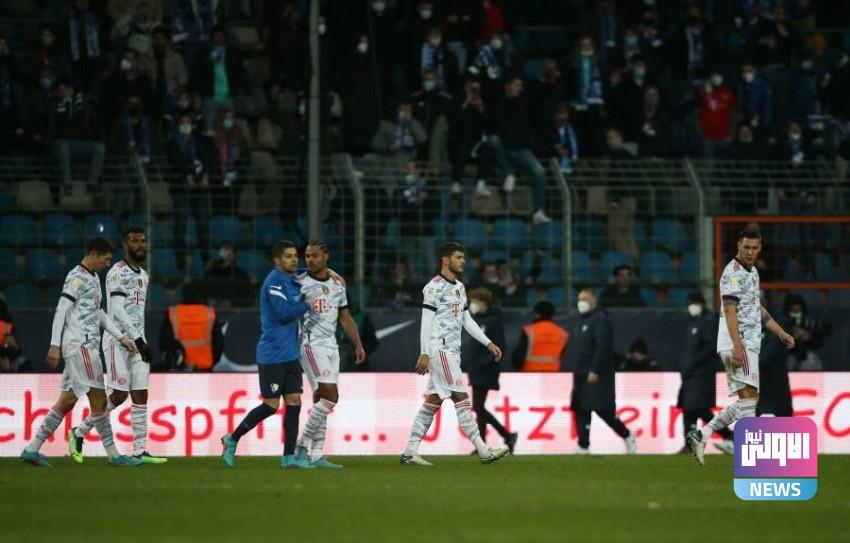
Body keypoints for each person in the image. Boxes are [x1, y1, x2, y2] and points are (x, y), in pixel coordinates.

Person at [20, 237, 140, 467]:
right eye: (105, 259)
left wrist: (121, 337)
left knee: (67, 401)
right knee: (99, 400)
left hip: (86, 347)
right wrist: (54, 344)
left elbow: (99, 313)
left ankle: (32, 449)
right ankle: (114, 455)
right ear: (93, 254)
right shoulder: (76, 277)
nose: (107, 264)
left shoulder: (93, 278)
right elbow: (61, 310)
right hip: (81, 346)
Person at [687, 228, 796, 466]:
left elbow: (757, 308)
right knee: (748, 400)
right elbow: (729, 311)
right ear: (738, 245)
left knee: (749, 402)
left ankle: (703, 435)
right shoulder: (733, 273)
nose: (750, 252)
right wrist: (737, 347)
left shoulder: (753, 272)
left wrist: (780, 332)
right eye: (746, 247)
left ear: (760, 248)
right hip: (739, 343)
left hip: (749, 343)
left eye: (754, 248)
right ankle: (746, 451)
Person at [401, 242, 509, 466]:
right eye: (458, 257)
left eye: (463, 257)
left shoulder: (459, 287)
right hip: (440, 350)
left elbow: (467, 321)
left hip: (452, 352)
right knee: (461, 397)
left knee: (433, 401)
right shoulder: (434, 287)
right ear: (445, 259)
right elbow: (426, 321)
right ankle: (483, 450)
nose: (463, 261)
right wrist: (424, 352)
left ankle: (410, 451)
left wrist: (488, 343)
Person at [69, 227, 165, 464]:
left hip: (139, 340)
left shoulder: (144, 275)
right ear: (125, 244)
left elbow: (136, 313)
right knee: (119, 395)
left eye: (143, 241)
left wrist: (141, 339)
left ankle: (140, 451)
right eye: (134, 241)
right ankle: (79, 431)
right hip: (117, 341)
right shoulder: (117, 272)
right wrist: (137, 339)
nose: (140, 245)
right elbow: (119, 310)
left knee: (141, 393)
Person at [221, 240, 313, 469]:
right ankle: (232, 438)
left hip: (291, 355)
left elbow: (313, 273)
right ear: (277, 260)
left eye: (295, 255)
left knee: (294, 401)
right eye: (289, 256)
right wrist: (308, 303)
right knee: (271, 405)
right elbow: (284, 313)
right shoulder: (274, 282)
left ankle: (288, 457)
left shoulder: (293, 278)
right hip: (273, 356)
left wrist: (331, 275)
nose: (294, 259)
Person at [294, 241, 366, 468]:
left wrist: (358, 344)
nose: (309, 260)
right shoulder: (300, 283)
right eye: (307, 255)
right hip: (311, 345)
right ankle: (300, 446)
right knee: (331, 396)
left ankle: (317, 455)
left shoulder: (337, 285)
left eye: (314, 255)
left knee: (321, 399)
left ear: (326, 256)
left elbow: (345, 318)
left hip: (332, 347)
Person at [571, 288, 637, 455]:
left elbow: (603, 347)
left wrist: (595, 369)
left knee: (603, 411)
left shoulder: (600, 321)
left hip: (596, 374)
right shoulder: (582, 322)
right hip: (581, 373)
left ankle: (627, 435)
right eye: (579, 299)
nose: (581, 303)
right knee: (581, 408)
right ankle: (583, 445)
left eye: (585, 299)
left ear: (594, 300)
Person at [489, 76, 552, 225]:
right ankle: (507, 174)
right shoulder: (497, 102)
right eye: (517, 85)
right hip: (503, 148)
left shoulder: (524, 102)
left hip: (520, 149)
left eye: (521, 86)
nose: (520, 88)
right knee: (493, 140)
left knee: (540, 171)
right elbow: (494, 127)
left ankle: (538, 212)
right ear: (508, 85)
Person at [677, 292, 733, 454]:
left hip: (701, 374)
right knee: (690, 409)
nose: (690, 307)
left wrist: (693, 363)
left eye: (693, 303)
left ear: (700, 304)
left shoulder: (708, 322)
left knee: (698, 409)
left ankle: (729, 436)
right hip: (690, 375)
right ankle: (690, 444)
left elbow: (710, 347)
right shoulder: (692, 323)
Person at [463, 287, 517, 452]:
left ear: (483, 302)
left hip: (486, 370)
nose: (472, 305)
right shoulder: (476, 320)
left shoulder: (493, 321)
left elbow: (499, 347)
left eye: (474, 301)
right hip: (476, 370)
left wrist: (482, 363)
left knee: (478, 406)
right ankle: (493, 440)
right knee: (479, 407)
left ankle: (503, 436)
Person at [166, 112, 212, 272]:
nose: (185, 125)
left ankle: (206, 260)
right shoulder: (172, 142)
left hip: (201, 187)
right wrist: (186, 176)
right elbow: (175, 162)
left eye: (188, 122)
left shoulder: (200, 141)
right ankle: (180, 261)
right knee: (181, 223)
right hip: (180, 187)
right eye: (182, 122)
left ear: (193, 125)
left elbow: (208, 157)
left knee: (203, 224)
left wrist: (205, 175)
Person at [50, 77, 105, 196]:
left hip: (79, 143)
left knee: (99, 148)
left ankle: (92, 183)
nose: (61, 92)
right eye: (60, 90)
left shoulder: (84, 102)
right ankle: (67, 183)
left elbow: (95, 121)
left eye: (63, 89)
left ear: (71, 88)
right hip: (61, 142)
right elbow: (50, 122)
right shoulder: (54, 102)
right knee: (63, 146)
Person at [160, 282, 223, 372]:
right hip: (205, 367)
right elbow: (219, 343)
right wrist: (212, 361)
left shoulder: (172, 312)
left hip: (179, 368)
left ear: (183, 294)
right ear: (199, 295)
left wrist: (172, 361)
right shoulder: (209, 313)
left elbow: (164, 342)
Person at [512, 301, 569, 372]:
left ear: (537, 314)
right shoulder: (562, 334)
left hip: (530, 373)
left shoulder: (529, 331)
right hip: (553, 374)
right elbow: (561, 355)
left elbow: (518, 357)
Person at [783, 293, 827, 371]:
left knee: (812, 359)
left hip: (807, 358)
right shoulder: (781, 324)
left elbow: (818, 342)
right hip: (787, 358)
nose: (796, 312)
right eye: (794, 310)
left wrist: (809, 337)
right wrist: (791, 335)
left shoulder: (808, 323)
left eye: (799, 309)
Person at [204, 242, 250, 307]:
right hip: (212, 308)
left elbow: (247, 298)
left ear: (233, 255)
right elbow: (205, 293)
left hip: (231, 310)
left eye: (229, 251)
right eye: (225, 250)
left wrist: (231, 303)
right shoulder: (211, 273)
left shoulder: (240, 275)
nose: (226, 254)